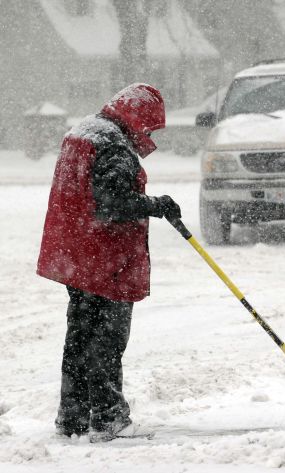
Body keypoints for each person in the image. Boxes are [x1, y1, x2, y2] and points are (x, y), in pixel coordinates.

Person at [37, 83, 182, 442]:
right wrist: (155, 204)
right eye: (149, 126)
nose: (148, 134)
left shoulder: (83, 131)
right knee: (107, 340)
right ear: (138, 116)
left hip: (77, 255)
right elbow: (113, 203)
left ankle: (72, 418)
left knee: (79, 339)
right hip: (105, 259)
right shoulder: (113, 144)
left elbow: (88, 195)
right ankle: (107, 418)